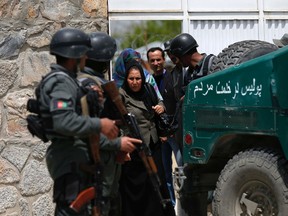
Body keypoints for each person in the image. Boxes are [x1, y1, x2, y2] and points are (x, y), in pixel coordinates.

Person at [36, 27, 137, 216]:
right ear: (76, 55)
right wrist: (101, 125)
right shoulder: (61, 82)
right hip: (70, 161)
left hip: (76, 161)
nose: (86, 58)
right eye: (84, 54)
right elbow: (62, 121)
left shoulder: (69, 80)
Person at [78, 32, 141, 216]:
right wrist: (118, 144)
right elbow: (90, 129)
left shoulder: (98, 83)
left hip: (107, 157)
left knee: (110, 201)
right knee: (100, 205)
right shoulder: (90, 86)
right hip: (97, 160)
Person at [118, 59, 176, 216]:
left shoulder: (149, 89)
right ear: (126, 79)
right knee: (138, 185)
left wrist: (161, 107)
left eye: (138, 78)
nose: (135, 82)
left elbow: (160, 102)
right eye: (131, 79)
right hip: (135, 147)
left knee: (158, 181)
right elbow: (120, 123)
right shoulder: (121, 95)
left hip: (153, 143)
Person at [147, 46, 183, 206]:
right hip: (159, 135)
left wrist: (171, 130)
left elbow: (177, 105)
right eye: (152, 60)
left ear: (163, 60)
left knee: (182, 168)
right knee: (165, 173)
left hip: (174, 132)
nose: (156, 63)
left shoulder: (172, 78)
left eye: (158, 59)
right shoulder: (148, 82)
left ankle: (184, 204)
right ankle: (172, 206)